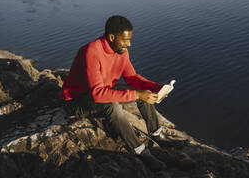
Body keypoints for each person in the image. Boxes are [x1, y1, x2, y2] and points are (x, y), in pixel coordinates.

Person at [59, 15, 170, 170]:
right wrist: (137, 95)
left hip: (103, 91)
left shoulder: (121, 51)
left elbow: (132, 78)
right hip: (77, 101)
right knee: (113, 106)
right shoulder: (91, 51)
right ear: (112, 37)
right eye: (125, 40)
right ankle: (140, 151)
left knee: (142, 92)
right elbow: (97, 94)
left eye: (129, 39)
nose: (129, 44)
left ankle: (157, 134)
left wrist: (156, 87)